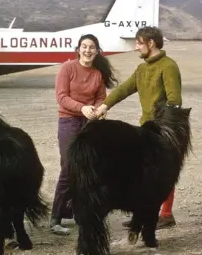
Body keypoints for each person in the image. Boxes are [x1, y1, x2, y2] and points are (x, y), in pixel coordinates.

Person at [95, 26, 182, 230]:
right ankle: (142, 214)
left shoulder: (168, 66)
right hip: (146, 129)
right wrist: (104, 106)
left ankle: (166, 215)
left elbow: (174, 100)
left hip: (163, 131)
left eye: (139, 43)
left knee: (164, 174)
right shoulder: (143, 68)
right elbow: (125, 88)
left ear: (151, 43)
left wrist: (165, 130)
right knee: (143, 173)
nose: (136, 47)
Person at [50, 34, 119, 235]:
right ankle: (56, 217)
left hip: (90, 122)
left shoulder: (98, 73)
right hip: (69, 120)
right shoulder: (67, 68)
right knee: (69, 166)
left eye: (92, 47)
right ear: (78, 49)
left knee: (89, 168)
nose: (88, 50)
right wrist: (82, 108)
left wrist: (98, 109)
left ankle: (80, 212)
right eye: (84, 46)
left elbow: (100, 97)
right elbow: (61, 97)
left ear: (97, 51)